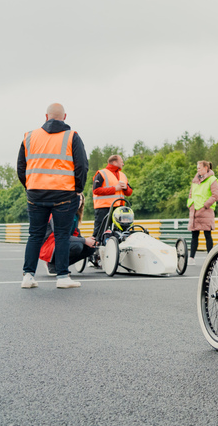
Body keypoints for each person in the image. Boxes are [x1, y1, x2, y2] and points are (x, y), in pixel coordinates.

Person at [17, 103, 89, 289]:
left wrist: (31, 186)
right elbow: (81, 166)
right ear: (64, 117)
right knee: (62, 235)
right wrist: (78, 189)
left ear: (46, 116)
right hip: (64, 195)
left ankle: (28, 276)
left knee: (35, 235)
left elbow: (21, 167)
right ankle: (63, 277)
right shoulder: (72, 136)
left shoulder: (29, 136)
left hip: (36, 194)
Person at [41, 198, 98, 276]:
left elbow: (76, 235)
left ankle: (61, 266)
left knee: (90, 247)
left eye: (81, 200)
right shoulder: (58, 213)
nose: (78, 201)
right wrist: (84, 240)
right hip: (49, 246)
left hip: (61, 243)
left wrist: (90, 241)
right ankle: (51, 264)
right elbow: (61, 235)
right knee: (77, 246)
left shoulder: (75, 215)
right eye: (76, 199)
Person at [91, 154, 133, 239]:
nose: (123, 164)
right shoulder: (101, 173)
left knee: (121, 232)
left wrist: (125, 188)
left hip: (119, 208)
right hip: (104, 208)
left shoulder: (123, 175)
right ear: (114, 162)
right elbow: (96, 190)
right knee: (100, 231)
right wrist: (115, 188)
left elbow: (129, 192)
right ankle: (96, 248)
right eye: (121, 161)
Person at [187, 160, 218, 265]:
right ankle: (191, 258)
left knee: (207, 234)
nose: (198, 170)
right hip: (195, 211)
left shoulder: (212, 180)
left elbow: (216, 195)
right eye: (197, 168)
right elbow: (190, 194)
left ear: (206, 168)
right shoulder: (195, 181)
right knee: (194, 235)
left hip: (205, 211)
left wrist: (206, 205)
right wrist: (190, 204)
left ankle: (211, 258)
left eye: (199, 168)